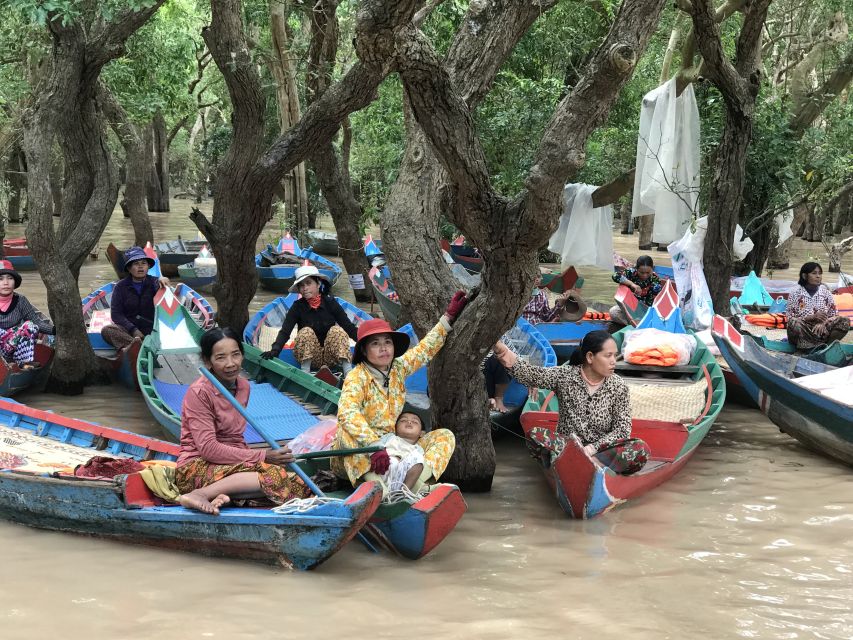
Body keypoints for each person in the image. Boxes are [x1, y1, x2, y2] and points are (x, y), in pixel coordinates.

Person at [331, 291, 470, 489]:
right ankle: (379, 490)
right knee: (346, 431)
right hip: (360, 454)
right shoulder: (357, 377)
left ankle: (414, 487)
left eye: (387, 342)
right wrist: (374, 447)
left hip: (393, 446)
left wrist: (447, 318)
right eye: (375, 344)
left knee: (445, 436)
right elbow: (347, 413)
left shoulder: (398, 368)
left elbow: (424, 351)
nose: (384, 348)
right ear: (364, 350)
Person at [176, 327, 312, 515]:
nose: (231, 363)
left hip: (230, 462)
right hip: (196, 466)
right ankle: (199, 494)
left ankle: (226, 495)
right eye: (220, 357)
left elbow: (235, 438)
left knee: (300, 486)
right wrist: (263, 457)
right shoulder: (199, 393)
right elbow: (208, 449)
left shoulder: (243, 386)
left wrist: (260, 460)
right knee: (274, 476)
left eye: (235, 355)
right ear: (208, 361)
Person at [492, 330, 649, 475]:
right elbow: (529, 374)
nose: (614, 361)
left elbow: (622, 430)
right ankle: (566, 464)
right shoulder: (565, 376)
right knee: (535, 436)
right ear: (590, 357)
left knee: (640, 449)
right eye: (608, 356)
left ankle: (596, 466)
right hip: (567, 449)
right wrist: (502, 350)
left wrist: (592, 449)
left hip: (602, 453)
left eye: (615, 356)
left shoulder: (618, 386)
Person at [260, 265, 358, 374]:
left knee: (337, 331)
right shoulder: (297, 306)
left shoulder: (330, 303)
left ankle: (348, 373)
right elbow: (285, 331)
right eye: (301, 285)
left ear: (318, 283)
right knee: (306, 332)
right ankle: (305, 374)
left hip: (330, 357)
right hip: (309, 358)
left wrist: (366, 343)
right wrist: (275, 351)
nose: (305, 288)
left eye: (308, 283)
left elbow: (349, 327)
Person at [100, 246, 170, 351]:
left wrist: (163, 280)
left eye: (143, 263)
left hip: (152, 329)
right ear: (129, 268)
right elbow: (116, 315)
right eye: (136, 264)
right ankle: (141, 347)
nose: (140, 267)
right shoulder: (120, 287)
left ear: (148, 266)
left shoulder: (156, 283)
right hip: (129, 331)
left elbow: (167, 303)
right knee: (107, 330)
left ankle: (137, 347)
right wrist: (133, 330)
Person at [0, 260, 54, 369]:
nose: (6, 283)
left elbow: (36, 322)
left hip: (14, 347)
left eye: (10, 278)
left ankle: (23, 362)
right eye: (0, 279)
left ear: (14, 282)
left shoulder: (20, 300)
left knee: (30, 326)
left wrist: (55, 330)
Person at [786, 262, 851, 350]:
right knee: (793, 322)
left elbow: (834, 315)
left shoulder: (826, 293)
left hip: (821, 332)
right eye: (814, 273)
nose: (818, 276)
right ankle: (804, 349)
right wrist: (811, 317)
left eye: (820, 273)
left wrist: (824, 324)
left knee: (844, 321)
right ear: (804, 276)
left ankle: (826, 347)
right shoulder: (795, 294)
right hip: (803, 331)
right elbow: (790, 318)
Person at [371, 411, 428, 493]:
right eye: (403, 420)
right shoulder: (389, 437)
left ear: (421, 433)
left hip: (399, 480)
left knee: (419, 460)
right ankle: (381, 491)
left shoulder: (418, 449)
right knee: (393, 461)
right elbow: (376, 444)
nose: (409, 422)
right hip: (382, 469)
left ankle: (404, 492)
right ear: (395, 428)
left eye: (415, 422)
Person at [608, 255, 663, 331]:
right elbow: (615, 276)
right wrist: (631, 284)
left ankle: (638, 324)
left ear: (652, 269)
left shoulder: (655, 279)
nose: (645, 275)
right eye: (642, 272)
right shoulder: (631, 273)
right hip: (630, 308)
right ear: (636, 269)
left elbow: (655, 299)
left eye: (648, 272)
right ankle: (636, 324)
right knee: (613, 312)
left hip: (646, 310)